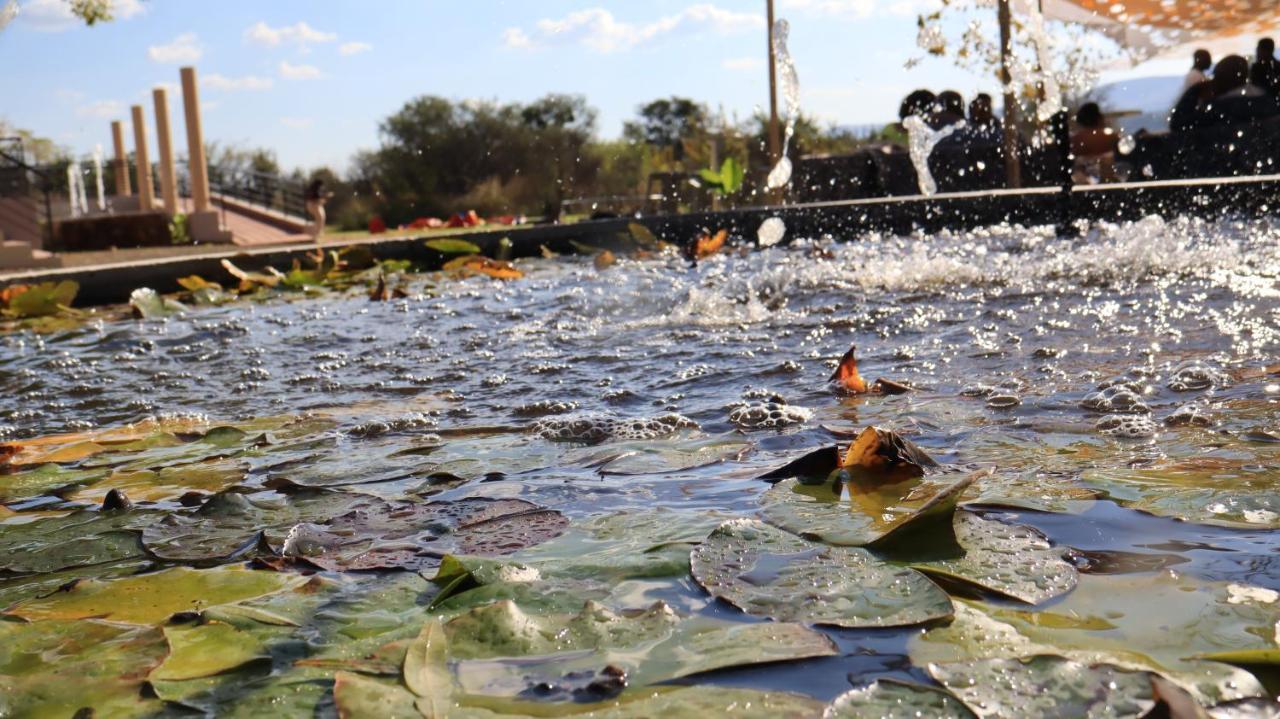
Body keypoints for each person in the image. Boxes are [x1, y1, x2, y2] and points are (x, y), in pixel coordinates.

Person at [1070, 102, 1117, 183]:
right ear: (1099, 119)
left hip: (1083, 183)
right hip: (1108, 182)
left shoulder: (1075, 140)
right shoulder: (1110, 136)